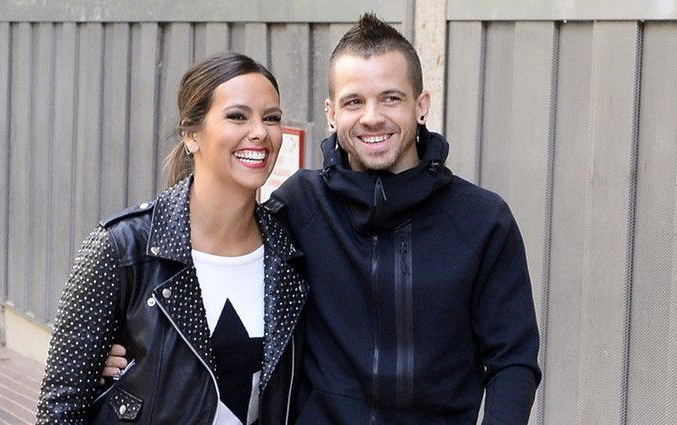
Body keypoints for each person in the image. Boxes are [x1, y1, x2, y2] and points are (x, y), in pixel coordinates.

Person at [106, 13, 541, 424]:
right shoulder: (299, 207)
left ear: (421, 105)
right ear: (331, 113)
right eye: (354, 101)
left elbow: (513, 360)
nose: (372, 117)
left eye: (391, 98)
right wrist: (134, 346)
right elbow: (216, 270)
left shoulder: (483, 221)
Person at [35, 52, 308, 425]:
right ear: (191, 133)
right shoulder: (123, 248)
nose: (259, 131)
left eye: (271, 118)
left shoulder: (290, 252)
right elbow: (60, 408)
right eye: (237, 116)